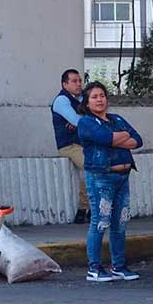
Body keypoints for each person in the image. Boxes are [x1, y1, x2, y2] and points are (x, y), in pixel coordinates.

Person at [77, 81, 143, 282]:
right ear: (87, 103)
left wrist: (117, 137)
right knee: (100, 222)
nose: (100, 100)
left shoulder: (117, 119)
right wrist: (122, 137)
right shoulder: (86, 122)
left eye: (102, 96)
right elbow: (104, 138)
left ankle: (119, 266)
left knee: (120, 223)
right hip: (101, 178)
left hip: (123, 177)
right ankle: (94, 268)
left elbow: (138, 140)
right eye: (94, 97)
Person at [51, 69, 89, 224]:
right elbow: (77, 121)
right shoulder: (61, 100)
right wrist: (82, 118)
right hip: (69, 146)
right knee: (90, 165)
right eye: (74, 81)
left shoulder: (82, 99)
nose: (79, 84)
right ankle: (84, 208)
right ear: (64, 84)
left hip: (84, 143)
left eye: (80, 80)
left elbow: (96, 116)